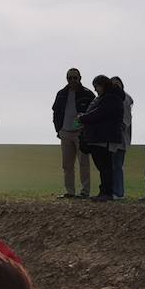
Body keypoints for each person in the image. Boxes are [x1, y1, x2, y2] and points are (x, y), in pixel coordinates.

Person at [78, 75, 126, 202]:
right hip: (103, 136)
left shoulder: (110, 98)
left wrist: (83, 118)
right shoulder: (112, 97)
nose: (96, 90)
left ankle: (106, 192)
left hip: (104, 137)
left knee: (104, 166)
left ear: (102, 85)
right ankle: (103, 191)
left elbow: (99, 113)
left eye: (96, 87)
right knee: (103, 166)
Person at [53, 68, 94, 198]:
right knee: (67, 165)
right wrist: (58, 129)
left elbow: (94, 112)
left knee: (84, 163)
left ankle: (85, 192)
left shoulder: (87, 94)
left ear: (80, 78)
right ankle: (70, 192)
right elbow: (56, 112)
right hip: (65, 132)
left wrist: (87, 130)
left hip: (81, 133)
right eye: (69, 78)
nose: (72, 80)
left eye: (75, 78)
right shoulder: (61, 94)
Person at [110, 76, 132, 200]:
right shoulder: (110, 98)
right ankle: (114, 191)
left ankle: (119, 192)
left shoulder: (125, 98)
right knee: (112, 165)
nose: (115, 86)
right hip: (111, 138)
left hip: (120, 137)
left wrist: (118, 127)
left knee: (117, 165)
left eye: (117, 84)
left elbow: (126, 120)